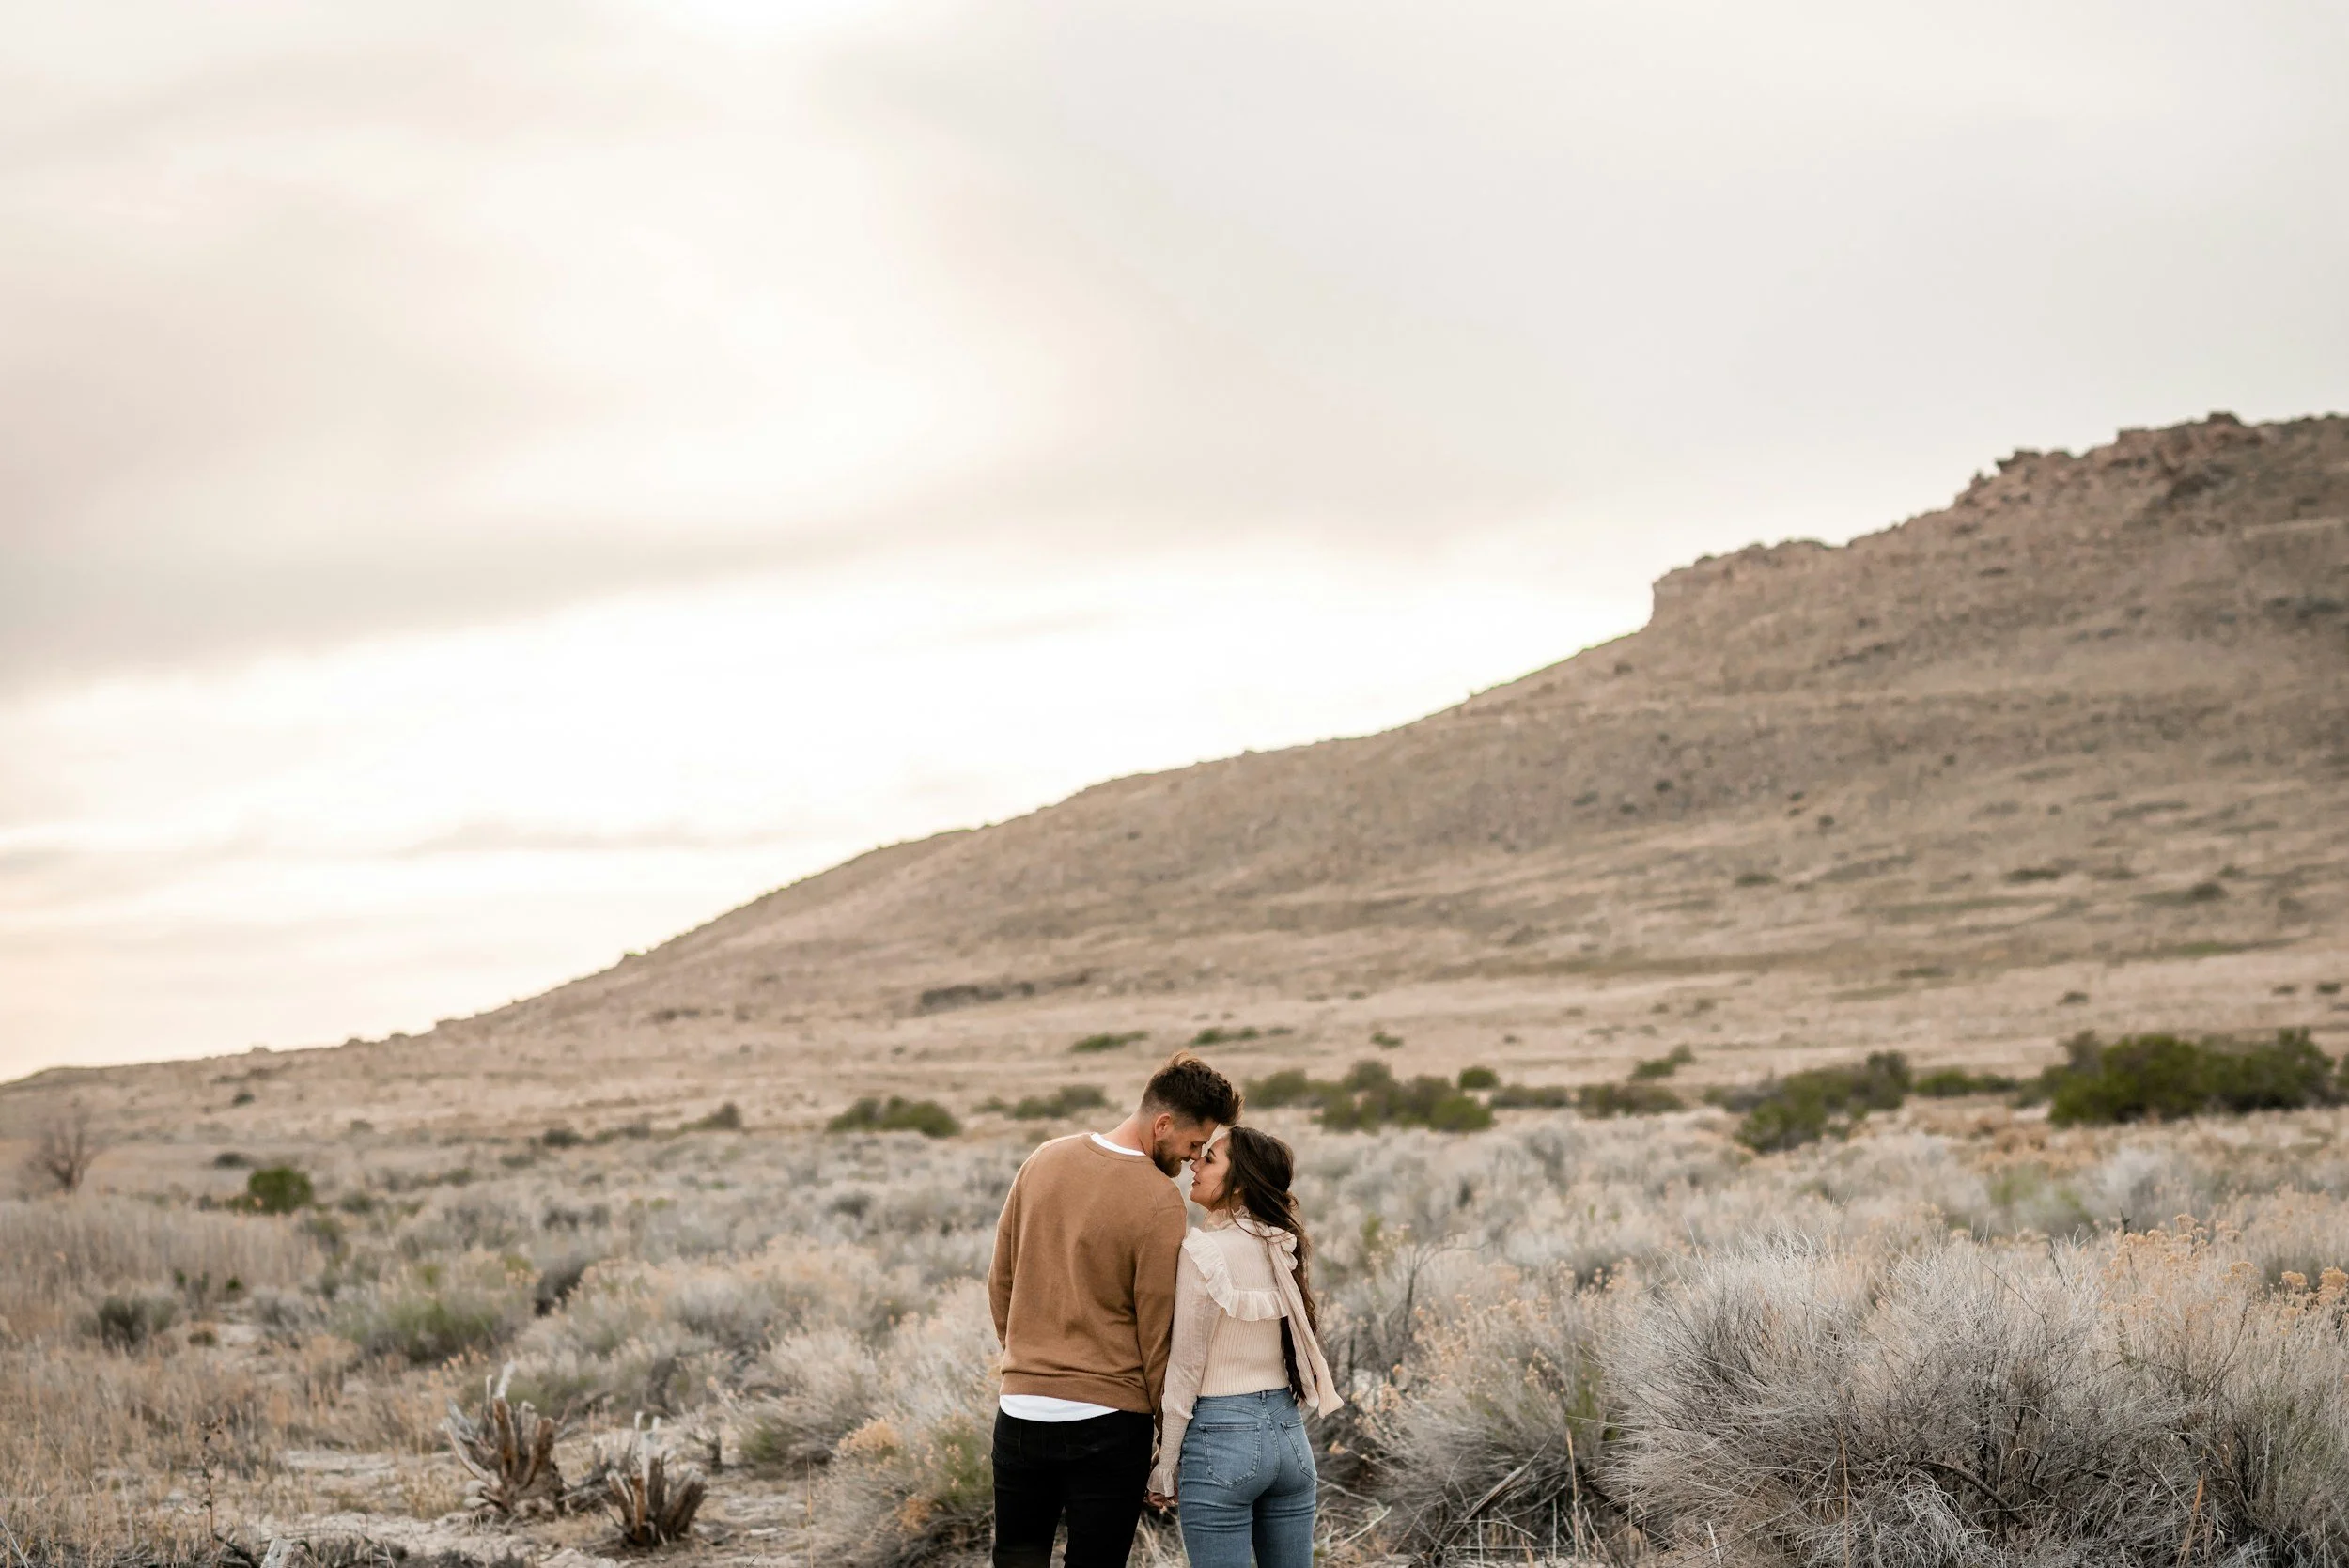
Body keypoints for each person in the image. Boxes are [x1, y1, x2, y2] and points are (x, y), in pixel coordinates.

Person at [987, 1049, 1242, 1568]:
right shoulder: (1158, 1200)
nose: (1194, 1159)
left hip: (1019, 1411)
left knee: (1016, 1557)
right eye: (1193, 1144)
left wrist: (1028, 1362)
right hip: (1108, 1421)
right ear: (1163, 1123)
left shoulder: (1044, 1158)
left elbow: (1001, 1282)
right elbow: (1156, 1331)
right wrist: (1162, 1433)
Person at [1147, 1125, 1343, 1568]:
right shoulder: (1280, 1244)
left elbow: (1185, 1366)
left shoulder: (1203, 1251)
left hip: (1221, 1441)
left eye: (1210, 1159)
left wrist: (1166, 1461)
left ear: (1237, 1184)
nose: (1195, 1163)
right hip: (1290, 1437)